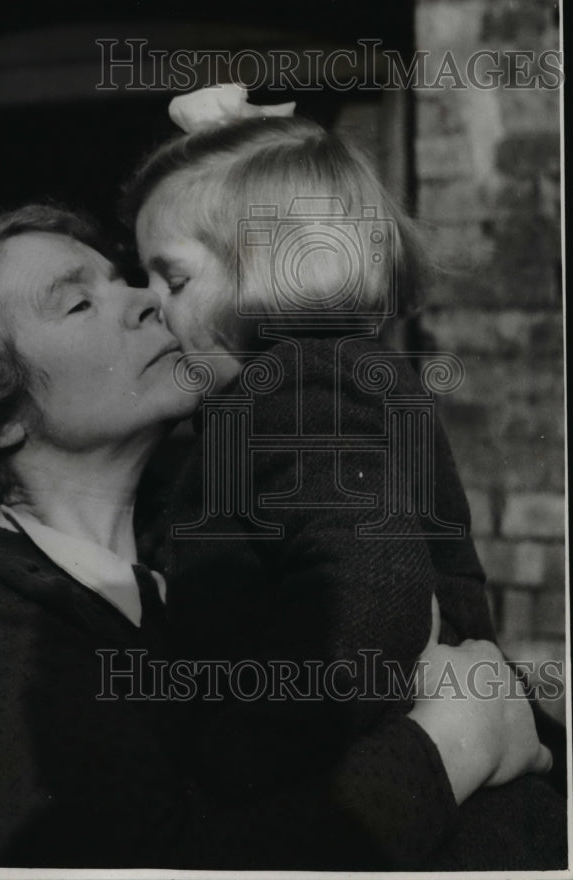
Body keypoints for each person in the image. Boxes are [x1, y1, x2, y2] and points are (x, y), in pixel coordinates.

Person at [0, 202, 555, 869]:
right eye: (78, 303)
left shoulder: (201, 561)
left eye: (129, 278)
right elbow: (169, 868)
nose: (145, 300)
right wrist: (450, 745)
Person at [125, 86, 567, 869]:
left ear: (269, 269)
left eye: (174, 280)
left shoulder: (298, 390)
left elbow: (371, 586)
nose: (151, 307)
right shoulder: (316, 382)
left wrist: (244, 756)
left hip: (422, 819)